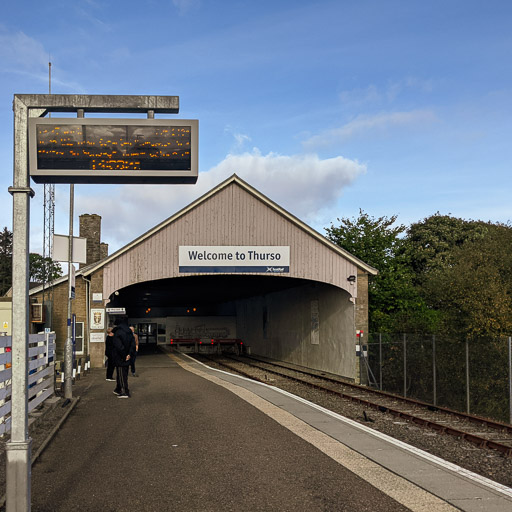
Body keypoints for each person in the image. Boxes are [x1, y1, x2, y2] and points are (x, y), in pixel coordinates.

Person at [111, 316, 136, 398]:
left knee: (121, 374)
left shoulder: (118, 332)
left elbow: (118, 346)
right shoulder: (129, 332)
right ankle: (118, 389)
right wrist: (129, 354)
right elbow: (133, 344)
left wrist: (124, 355)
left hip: (120, 356)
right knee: (122, 374)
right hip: (127, 355)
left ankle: (125, 391)